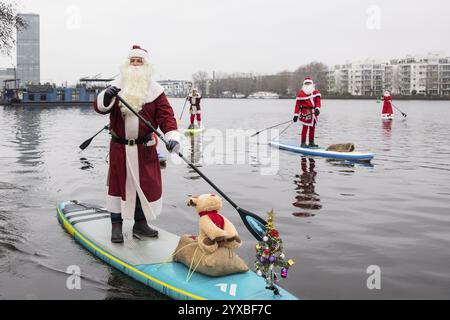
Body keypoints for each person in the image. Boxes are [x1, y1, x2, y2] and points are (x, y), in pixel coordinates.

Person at [93, 45, 180, 243]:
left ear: (146, 65)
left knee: (145, 186)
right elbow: (100, 108)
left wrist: (172, 136)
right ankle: (116, 226)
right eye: (132, 60)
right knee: (117, 186)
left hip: (144, 149)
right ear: (126, 64)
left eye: (139, 61)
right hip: (120, 148)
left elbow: (167, 117)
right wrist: (106, 97)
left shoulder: (156, 91)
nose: (135, 64)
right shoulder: (115, 87)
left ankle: (140, 225)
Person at [293, 77, 322, 148]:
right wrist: (296, 115)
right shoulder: (301, 93)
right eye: (306, 83)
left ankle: (311, 142)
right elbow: (297, 105)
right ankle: (303, 143)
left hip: (313, 112)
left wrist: (317, 109)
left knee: (312, 127)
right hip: (305, 112)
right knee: (305, 127)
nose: (308, 84)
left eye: (309, 83)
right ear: (304, 84)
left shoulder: (316, 92)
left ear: (311, 84)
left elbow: (318, 102)